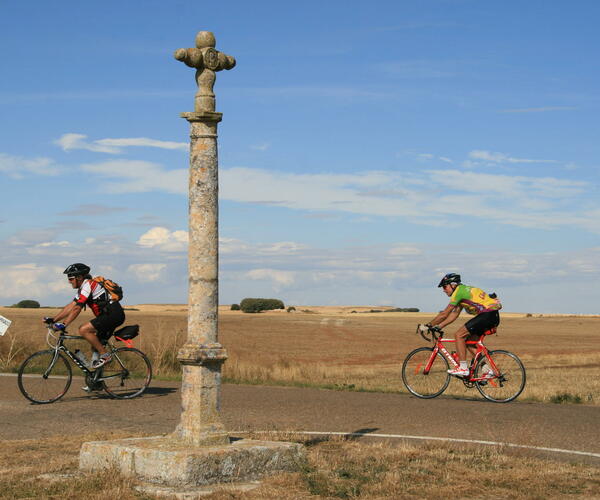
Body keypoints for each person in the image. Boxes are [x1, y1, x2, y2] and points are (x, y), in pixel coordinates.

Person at [43, 263, 125, 371]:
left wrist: (64, 324)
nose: (69, 281)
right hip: (108, 315)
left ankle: (106, 356)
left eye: (71, 278)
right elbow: (71, 306)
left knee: (83, 330)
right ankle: (96, 381)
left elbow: (77, 308)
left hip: (113, 314)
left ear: (79, 277)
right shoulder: (83, 288)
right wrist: (54, 319)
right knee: (96, 346)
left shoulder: (88, 285)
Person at [422, 273, 501, 377]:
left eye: (445, 286)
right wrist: (439, 326)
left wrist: (428, 325)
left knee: (459, 335)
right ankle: (486, 370)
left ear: (453, 285)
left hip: (487, 315)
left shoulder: (458, 292)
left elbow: (445, 314)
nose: (444, 290)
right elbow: (454, 314)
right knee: (469, 342)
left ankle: (463, 369)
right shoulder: (463, 290)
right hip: (493, 316)